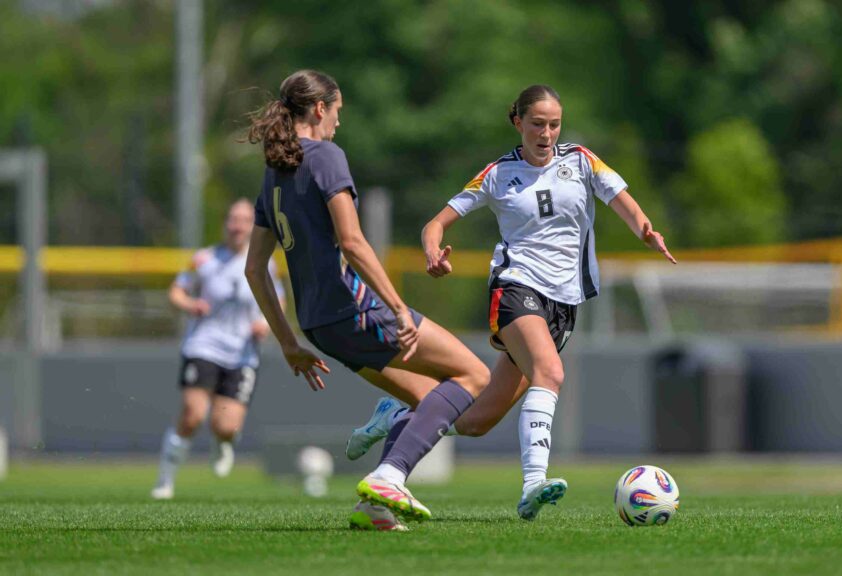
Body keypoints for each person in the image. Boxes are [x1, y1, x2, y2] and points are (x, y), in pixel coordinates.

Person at [346, 84, 676, 520]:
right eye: (537, 124)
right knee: (550, 372)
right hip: (516, 288)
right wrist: (432, 252)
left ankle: (399, 413)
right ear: (518, 122)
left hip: (564, 302)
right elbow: (435, 224)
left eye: (554, 124)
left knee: (474, 422)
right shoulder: (498, 174)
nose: (547, 133)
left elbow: (623, 201)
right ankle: (533, 484)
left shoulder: (581, 160)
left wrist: (645, 231)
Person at [243, 69, 490, 524]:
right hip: (355, 308)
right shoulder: (326, 156)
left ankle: (375, 504)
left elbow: (254, 269)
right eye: (337, 111)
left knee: (427, 401)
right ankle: (391, 475)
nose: (338, 122)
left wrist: (288, 341)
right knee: (473, 374)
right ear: (320, 108)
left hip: (319, 326)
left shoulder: (274, 173)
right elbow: (353, 243)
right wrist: (398, 308)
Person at [152, 199, 285, 500]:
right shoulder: (204, 259)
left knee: (225, 426)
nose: (238, 226)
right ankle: (165, 479)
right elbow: (176, 291)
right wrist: (190, 304)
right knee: (192, 414)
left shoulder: (266, 263)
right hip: (204, 346)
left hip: (242, 354)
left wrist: (264, 323)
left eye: (244, 220)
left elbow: (278, 301)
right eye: (233, 219)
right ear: (226, 224)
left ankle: (223, 441)